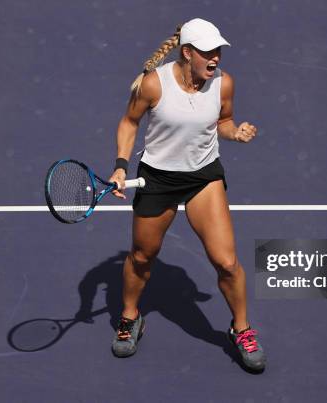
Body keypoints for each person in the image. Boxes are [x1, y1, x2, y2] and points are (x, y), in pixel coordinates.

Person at [107, 18, 266, 371]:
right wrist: (120, 165)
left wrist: (234, 132)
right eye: (208, 53)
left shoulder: (223, 84)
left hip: (202, 178)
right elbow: (129, 122)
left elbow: (223, 121)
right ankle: (131, 317)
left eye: (218, 52)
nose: (215, 60)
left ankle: (241, 329)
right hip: (158, 179)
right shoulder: (153, 84)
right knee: (143, 257)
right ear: (187, 52)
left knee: (226, 262)